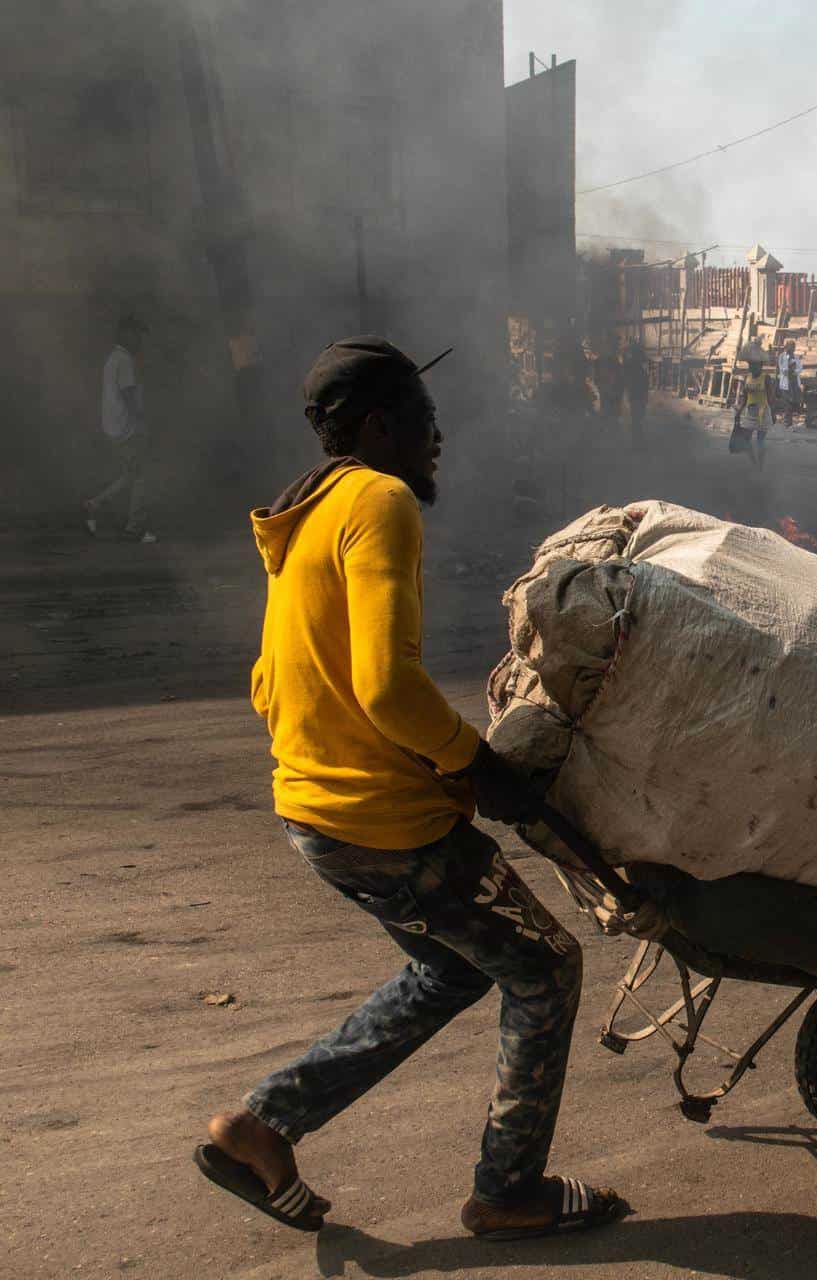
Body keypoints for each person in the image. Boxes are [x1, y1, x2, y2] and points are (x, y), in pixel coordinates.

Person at [196, 337, 624, 1241]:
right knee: (547, 968)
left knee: (455, 967)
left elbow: (271, 678)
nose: (439, 439)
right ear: (382, 426)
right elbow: (386, 685)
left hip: (315, 811)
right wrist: (476, 766)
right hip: (386, 826)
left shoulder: (304, 510)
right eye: (426, 423)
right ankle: (509, 1190)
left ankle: (260, 1126)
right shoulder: (379, 500)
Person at [85, 313, 156, 543]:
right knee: (142, 476)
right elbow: (129, 395)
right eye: (136, 335)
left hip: (115, 425)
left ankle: (94, 505)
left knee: (131, 473)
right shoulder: (124, 360)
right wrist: (143, 422)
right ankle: (135, 529)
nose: (139, 340)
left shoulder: (113, 358)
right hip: (126, 428)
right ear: (125, 333)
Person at [730, 358, 774, 469]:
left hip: (763, 413)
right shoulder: (747, 378)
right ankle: (754, 463)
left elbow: (770, 398)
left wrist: (773, 413)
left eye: (754, 365)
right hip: (750, 413)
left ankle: (760, 466)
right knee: (746, 441)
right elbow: (745, 397)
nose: (751, 368)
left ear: (760, 366)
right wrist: (739, 411)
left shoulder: (766, 378)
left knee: (760, 441)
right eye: (750, 365)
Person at [620, 342, 649, 445]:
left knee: (637, 418)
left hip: (635, 394)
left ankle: (637, 439)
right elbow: (644, 381)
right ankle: (637, 440)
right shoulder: (635, 365)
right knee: (637, 418)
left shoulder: (631, 363)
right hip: (637, 394)